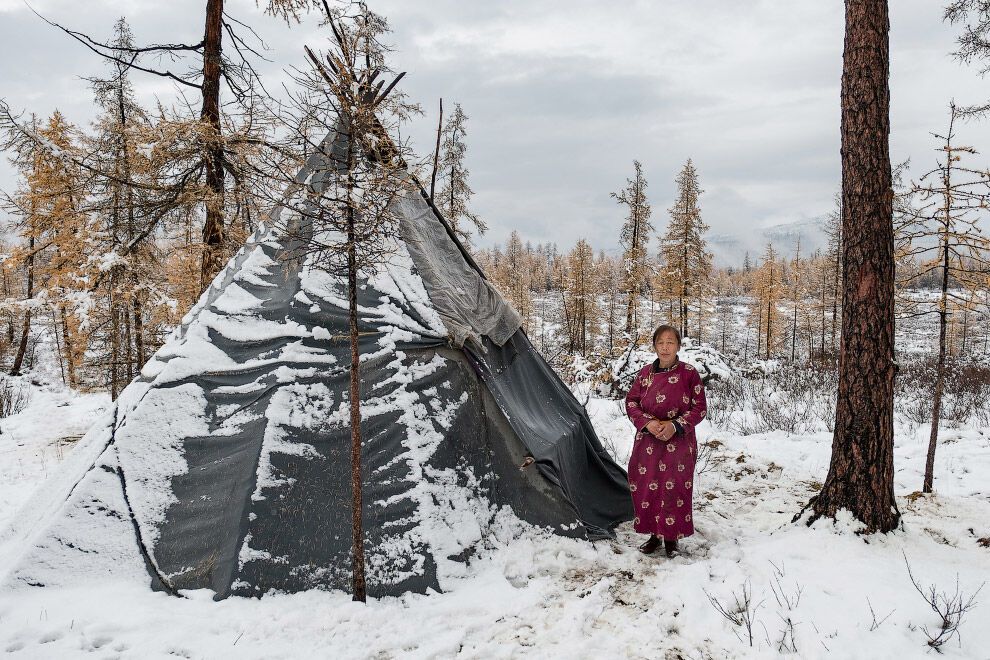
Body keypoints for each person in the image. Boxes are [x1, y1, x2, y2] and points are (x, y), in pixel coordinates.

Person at [624, 324, 707, 556]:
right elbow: (631, 402)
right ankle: (653, 535)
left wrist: (675, 426)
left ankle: (672, 539)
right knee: (648, 487)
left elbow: (699, 407)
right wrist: (648, 423)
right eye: (660, 342)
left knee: (674, 488)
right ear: (654, 346)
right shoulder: (644, 374)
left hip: (678, 442)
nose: (665, 347)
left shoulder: (689, 373)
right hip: (648, 442)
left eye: (670, 342)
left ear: (678, 346)